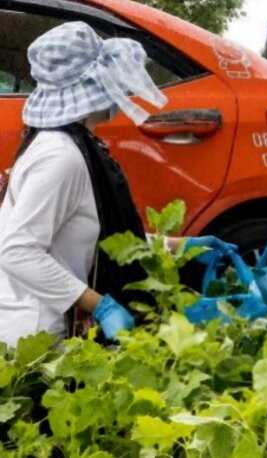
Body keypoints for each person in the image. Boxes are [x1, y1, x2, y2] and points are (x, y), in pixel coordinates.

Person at [0, 22, 234, 346]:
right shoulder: (60, 157)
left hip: (54, 331)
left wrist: (178, 246)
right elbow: (16, 252)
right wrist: (102, 305)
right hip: (36, 339)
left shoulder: (75, 145)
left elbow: (95, 234)